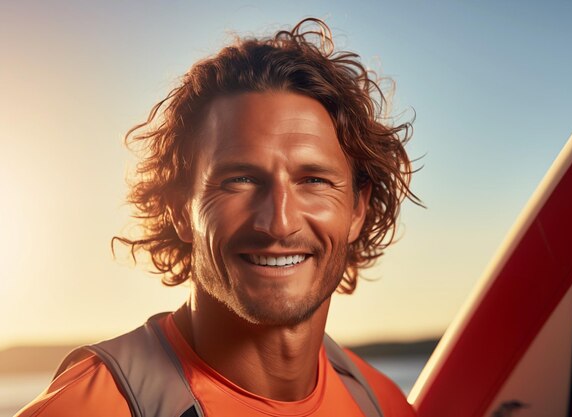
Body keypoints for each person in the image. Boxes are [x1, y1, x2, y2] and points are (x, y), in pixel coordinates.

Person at [16, 18, 421, 417]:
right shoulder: (90, 408)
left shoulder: (381, 404)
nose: (279, 223)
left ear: (357, 210)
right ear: (180, 209)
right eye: (240, 179)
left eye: (313, 180)